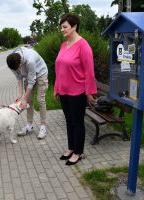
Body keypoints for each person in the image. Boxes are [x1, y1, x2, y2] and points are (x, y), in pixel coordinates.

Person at [54, 14, 97, 166]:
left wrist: (90, 93)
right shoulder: (64, 45)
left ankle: (78, 152)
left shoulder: (83, 45)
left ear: (74, 27)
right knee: (68, 121)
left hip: (78, 91)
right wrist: (56, 88)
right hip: (64, 91)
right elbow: (59, 68)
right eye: (61, 27)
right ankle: (71, 148)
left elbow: (89, 72)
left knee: (77, 122)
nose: (62, 29)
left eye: (65, 27)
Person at [6, 47, 48, 139]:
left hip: (41, 74)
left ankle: (43, 126)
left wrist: (24, 99)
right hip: (28, 76)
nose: (18, 69)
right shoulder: (12, 61)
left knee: (40, 100)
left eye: (19, 67)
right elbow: (19, 77)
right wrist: (20, 95)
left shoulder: (30, 60)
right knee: (28, 101)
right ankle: (29, 125)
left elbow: (31, 81)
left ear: (21, 61)